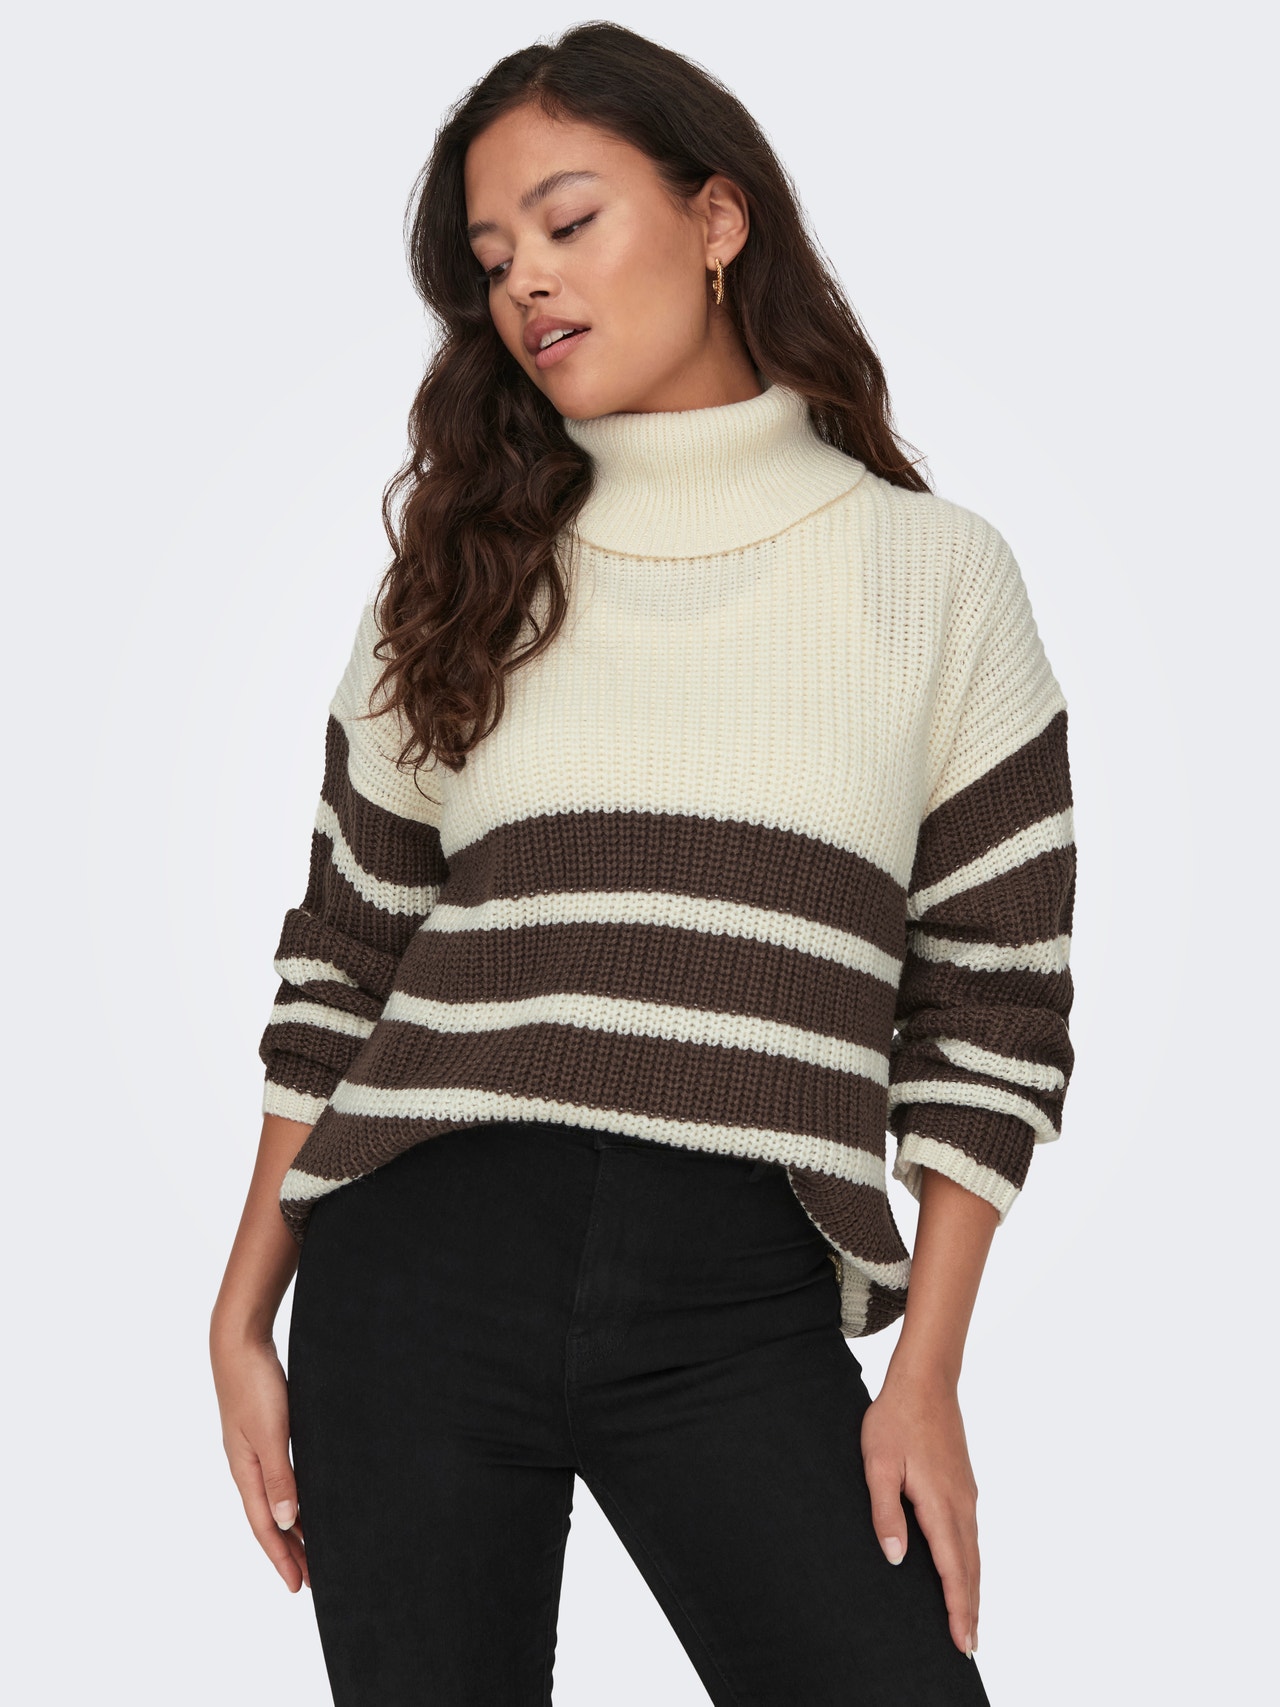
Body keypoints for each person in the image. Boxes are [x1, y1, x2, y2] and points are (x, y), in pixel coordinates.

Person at [210, 22, 1076, 1705]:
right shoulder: (455, 576)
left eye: (567, 220)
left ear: (717, 217)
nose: (526, 281)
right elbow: (342, 962)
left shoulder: (933, 577)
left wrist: (929, 1374)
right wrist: (244, 1315)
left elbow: (997, 1007)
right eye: (492, 259)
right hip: (414, 1265)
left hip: (737, 1286)